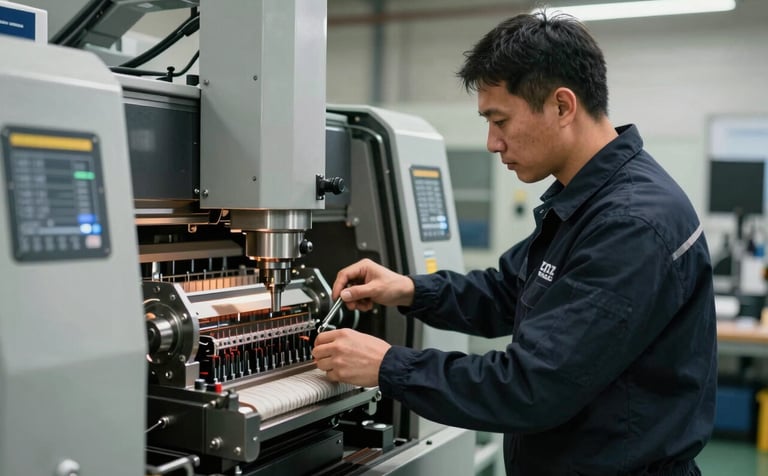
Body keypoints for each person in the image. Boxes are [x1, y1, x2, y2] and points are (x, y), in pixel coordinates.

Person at [312, 11, 716, 476]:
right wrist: (409, 289)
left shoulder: (630, 223)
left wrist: (388, 365)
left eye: (500, 120)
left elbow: (530, 387)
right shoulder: (589, 200)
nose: (491, 142)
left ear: (562, 106)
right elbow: (510, 290)